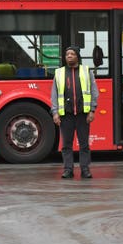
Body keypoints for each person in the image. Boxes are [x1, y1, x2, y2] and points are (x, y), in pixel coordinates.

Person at [51, 45, 99, 179]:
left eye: (72, 54)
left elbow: (94, 92)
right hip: (66, 115)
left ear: (77, 56)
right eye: (67, 54)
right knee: (66, 145)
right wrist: (55, 112)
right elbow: (54, 95)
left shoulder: (86, 71)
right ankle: (68, 170)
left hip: (83, 115)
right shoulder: (59, 73)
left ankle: (85, 170)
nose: (69, 56)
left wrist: (92, 110)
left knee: (84, 144)